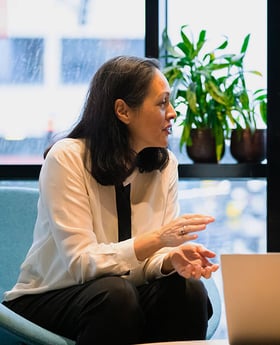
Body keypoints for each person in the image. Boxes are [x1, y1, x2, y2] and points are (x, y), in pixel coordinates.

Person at [2, 56, 219, 344]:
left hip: (119, 294)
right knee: (116, 296)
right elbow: (81, 264)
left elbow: (149, 259)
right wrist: (158, 240)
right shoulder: (67, 158)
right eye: (162, 102)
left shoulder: (165, 165)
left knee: (188, 290)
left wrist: (170, 261)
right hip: (50, 296)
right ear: (123, 111)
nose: (173, 113)